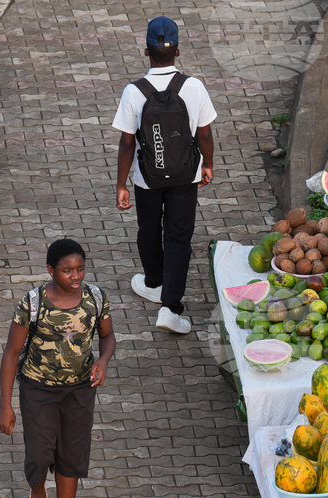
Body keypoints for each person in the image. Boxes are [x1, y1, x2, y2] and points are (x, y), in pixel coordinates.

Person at [0, 239, 116, 498]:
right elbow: (11, 353)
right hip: (38, 390)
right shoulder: (33, 303)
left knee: (71, 456)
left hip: (80, 390)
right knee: (38, 454)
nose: (75, 276)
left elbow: (108, 336)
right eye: (66, 270)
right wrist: (5, 405)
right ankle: (37, 490)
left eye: (80, 269)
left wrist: (102, 361)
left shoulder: (96, 298)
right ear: (51, 270)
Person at [113, 15, 217, 335]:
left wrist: (121, 184)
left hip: (147, 177)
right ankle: (170, 308)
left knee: (148, 229)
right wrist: (208, 165)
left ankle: (154, 282)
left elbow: (127, 142)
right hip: (186, 176)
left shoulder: (135, 91)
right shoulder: (193, 87)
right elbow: (205, 135)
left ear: (146, 51)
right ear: (178, 51)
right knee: (178, 238)